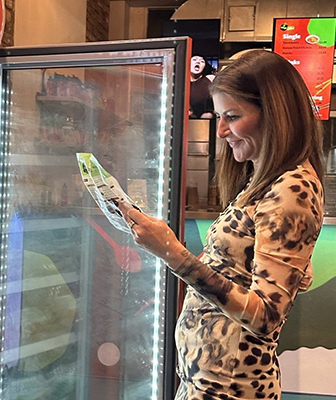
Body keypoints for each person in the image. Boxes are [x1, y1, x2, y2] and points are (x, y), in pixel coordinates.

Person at [119, 50, 325, 400]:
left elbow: (266, 317)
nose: (222, 130)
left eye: (233, 116)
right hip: (211, 382)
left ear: (276, 115)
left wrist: (172, 252)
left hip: (231, 388)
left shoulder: (292, 188)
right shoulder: (266, 180)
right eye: (219, 116)